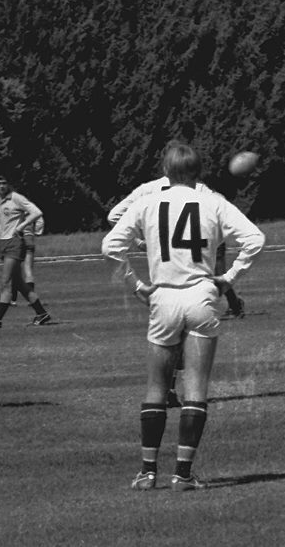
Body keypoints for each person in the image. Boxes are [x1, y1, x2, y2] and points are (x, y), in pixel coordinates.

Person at [102, 142, 265, 492]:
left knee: (156, 389)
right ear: (198, 171)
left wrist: (136, 286)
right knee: (195, 389)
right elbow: (255, 239)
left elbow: (110, 246)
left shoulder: (147, 201)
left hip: (163, 297)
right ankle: (183, 474)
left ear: (166, 169)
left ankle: (147, 473)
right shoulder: (213, 202)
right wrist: (229, 279)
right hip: (201, 297)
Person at [109, 175, 246, 318]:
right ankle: (227, 306)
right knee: (211, 276)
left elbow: (114, 216)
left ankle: (186, 311)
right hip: (198, 238)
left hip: (167, 242)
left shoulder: (148, 189)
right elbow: (220, 200)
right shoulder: (196, 187)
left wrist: (139, 240)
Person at [0, 175, 51, 328]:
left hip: (15, 243)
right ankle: (42, 314)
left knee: (6, 282)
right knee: (19, 283)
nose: (1, 186)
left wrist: (20, 227)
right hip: (3, 242)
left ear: (9, 184)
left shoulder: (16, 198)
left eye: (4, 183)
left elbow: (36, 212)